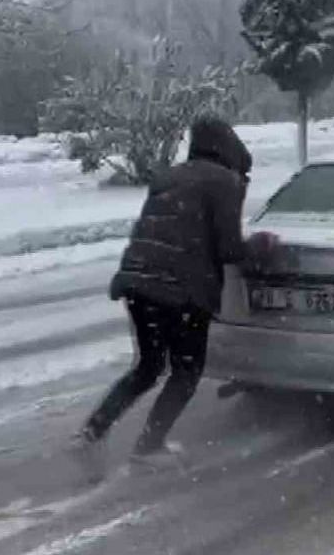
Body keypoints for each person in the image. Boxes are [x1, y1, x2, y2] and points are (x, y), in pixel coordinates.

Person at [71, 115, 260, 478]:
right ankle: (148, 446)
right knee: (187, 370)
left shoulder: (169, 175)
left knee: (148, 366)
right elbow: (229, 249)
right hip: (181, 290)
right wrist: (260, 247)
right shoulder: (225, 182)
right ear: (231, 149)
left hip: (138, 281)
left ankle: (91, 433)